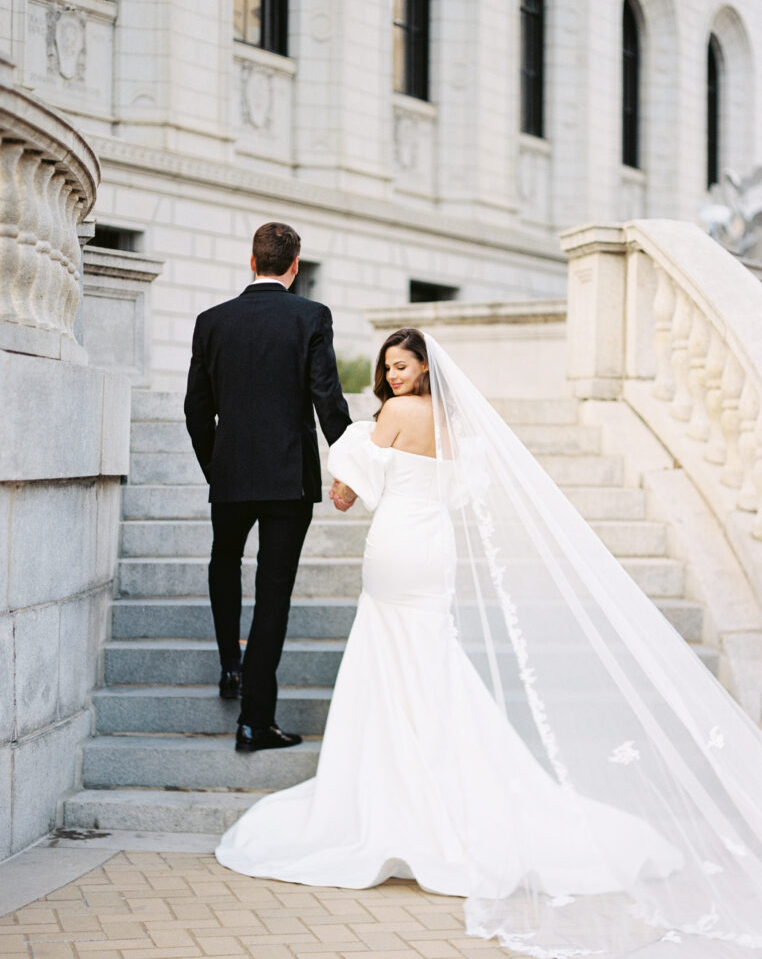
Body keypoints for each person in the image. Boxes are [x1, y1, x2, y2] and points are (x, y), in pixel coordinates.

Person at [216, 328, 762, 957]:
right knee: (429, 662)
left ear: (424, 367)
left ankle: (394, 792)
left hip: (395, 553)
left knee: (389, 661)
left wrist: (350, 461)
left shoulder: (392, 415)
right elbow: (458, 493)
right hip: (434, 553)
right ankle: (435, 778)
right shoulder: (456, 426)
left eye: (402, 365)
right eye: (389, 368)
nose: (393, 376)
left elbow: (345, 497)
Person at [184, 222, 352, 753]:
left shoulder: (211, 322)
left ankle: (230, 665)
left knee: (223, 564)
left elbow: (195, 409)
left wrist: (216, 465)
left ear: (252, 261)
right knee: (272, 592)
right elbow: (327, 398)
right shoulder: (310, 316)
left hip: (231, 474)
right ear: (294, 264)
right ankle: (255, 720)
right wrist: (350, 465)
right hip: (287, 479)